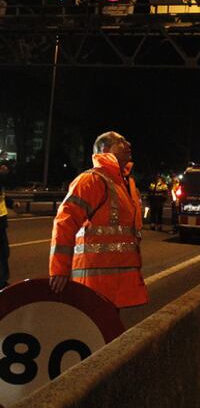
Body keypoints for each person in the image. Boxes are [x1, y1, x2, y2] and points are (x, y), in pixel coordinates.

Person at [49, 131, 148, 308]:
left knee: (110, 332)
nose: (128, 145)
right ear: (105, 149)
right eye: (121, 141)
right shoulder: (92, 180)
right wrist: (59, 269)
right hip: (95, 283)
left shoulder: (125, 185)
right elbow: (65, 222)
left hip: (119, 283)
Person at [0, 161, 14, 290]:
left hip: (1, 221)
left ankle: (3, 280)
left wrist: (12, 203)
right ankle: (2, 282)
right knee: (3, 252)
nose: (6, 171)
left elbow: (2, 197)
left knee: (4, 252)